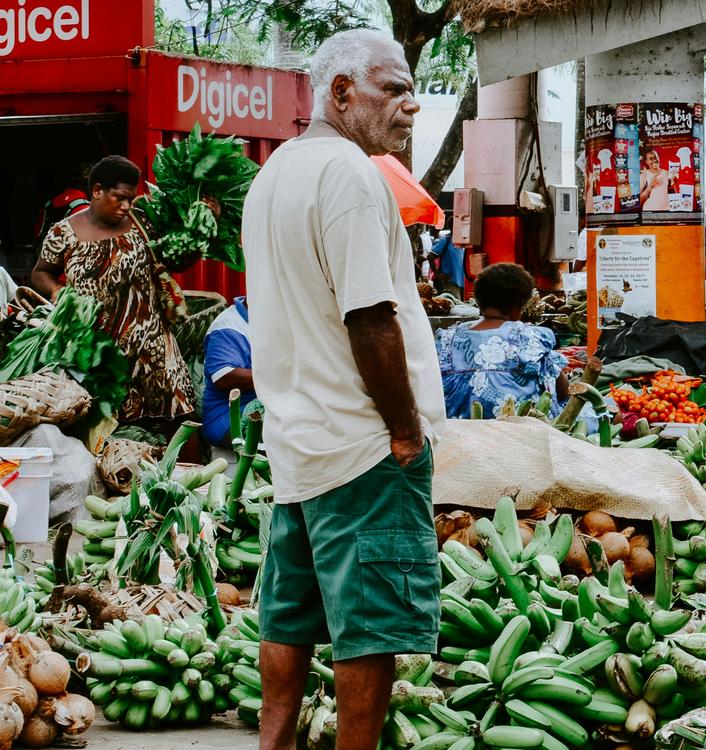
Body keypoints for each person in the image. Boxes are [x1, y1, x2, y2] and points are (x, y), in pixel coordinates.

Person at [241, 30, 446, 750]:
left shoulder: (272, 176)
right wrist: (405, 429)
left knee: (289, 612)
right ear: (341, 93)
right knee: (370, 626)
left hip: (298, 439)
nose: (411, 105)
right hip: (361, 444)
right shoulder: (352, 176)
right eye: (393, 89)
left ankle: (275, 743)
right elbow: (369, 314)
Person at [31, 155, 195, 426]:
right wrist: (57, 291)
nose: (126, 206)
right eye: (119, 197)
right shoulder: (64, 233)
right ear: (97, 191)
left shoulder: (143, 223)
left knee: (178, 413)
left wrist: (203, 225)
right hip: (97, 349)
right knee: (105, 422)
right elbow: (40, 272)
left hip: (151, 344)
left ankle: (184, 466)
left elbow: (176, 260)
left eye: (130, 198)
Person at [436, 263, 568, 419]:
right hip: (519, 434)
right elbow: (563, 389)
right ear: (519, 305)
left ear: (478, 300)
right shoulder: (529, 337)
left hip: (459, 432)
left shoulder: (447, 339)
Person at [203, 296, 254, 448]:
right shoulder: (228, 326)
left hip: (267, 409)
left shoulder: (272, 319)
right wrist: (283, 374)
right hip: (228, 419)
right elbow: (224, 377)